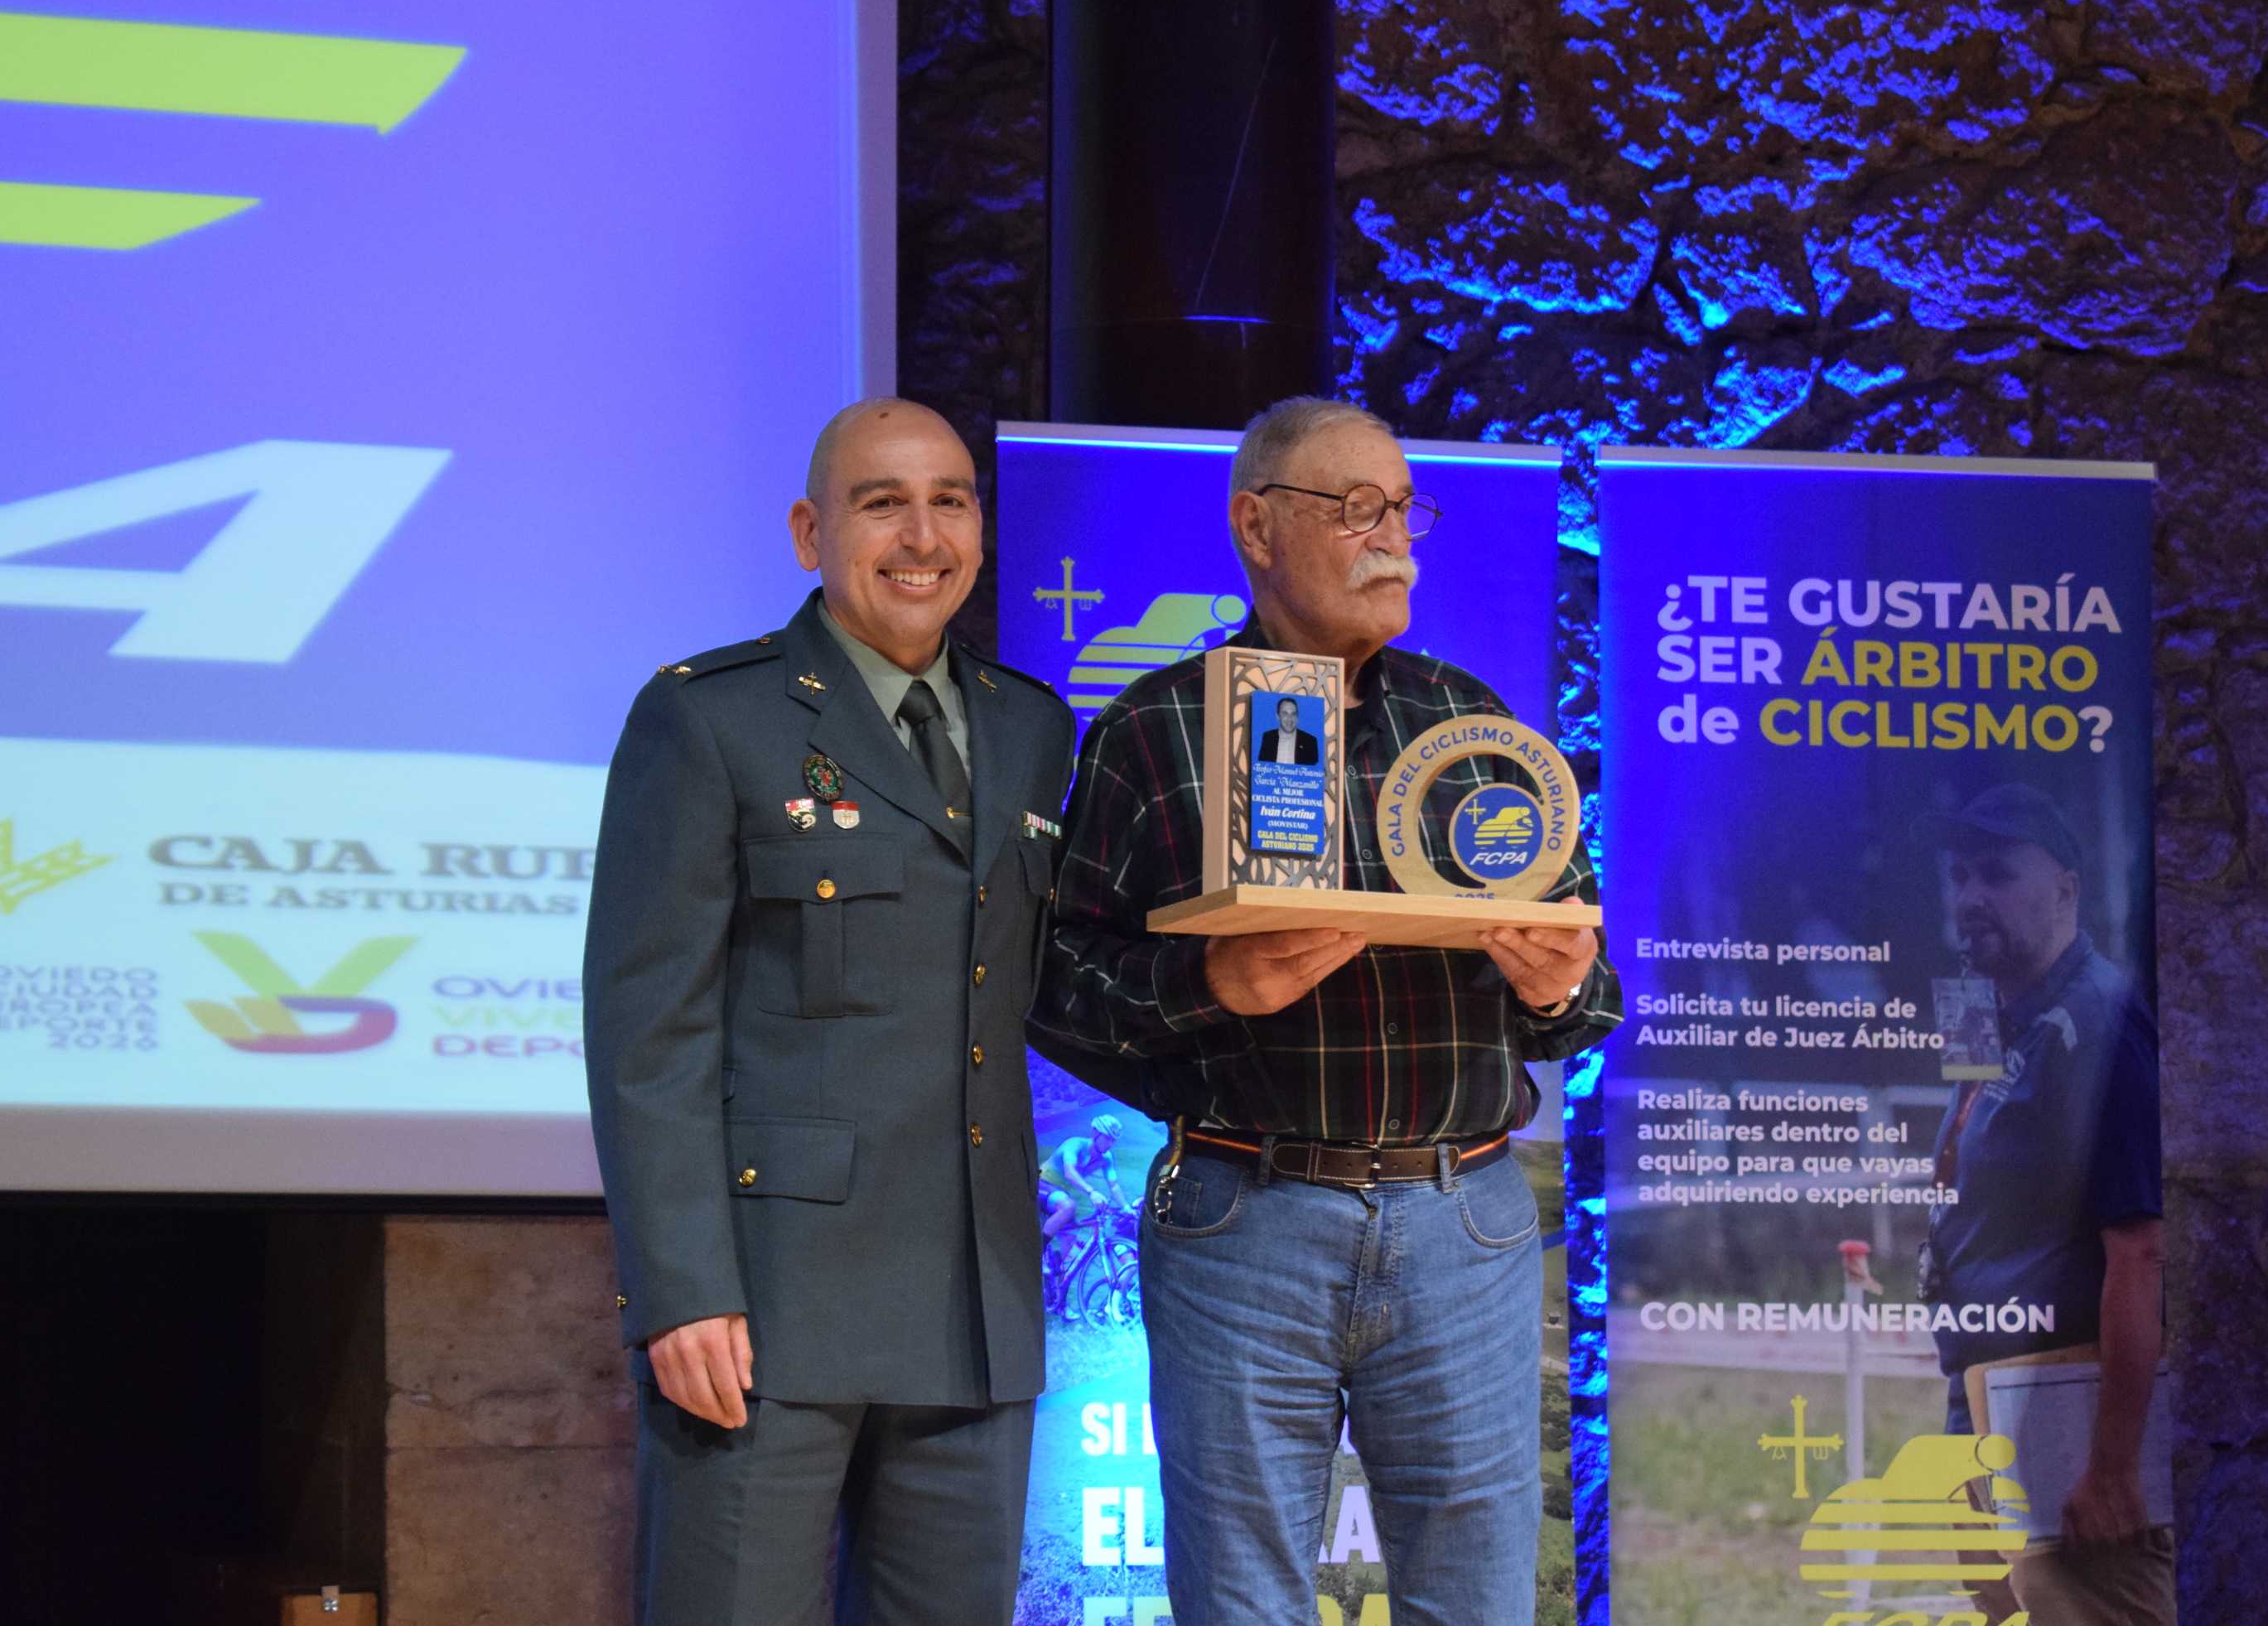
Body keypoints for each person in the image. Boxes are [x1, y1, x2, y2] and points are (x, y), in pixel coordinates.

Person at [1029, 396, 1622, 1624]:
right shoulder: (1154, 733)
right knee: (1242, 1603)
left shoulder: (1475, 729)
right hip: (1243, 1219)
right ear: (1257, 525)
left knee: (1479, 1604)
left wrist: (1557, 986)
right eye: (1354, 508)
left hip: (1466, 1226)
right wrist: (1208, 987)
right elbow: (1052, 987)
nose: (1392, 536)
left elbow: (1588, 996)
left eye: (1405, 509)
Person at [584, 398, 1076, 1626]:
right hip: (771, 1307)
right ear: (812, 532)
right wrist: (683, 1288)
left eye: (950, 500)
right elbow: (650, 1030)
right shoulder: (711, 717)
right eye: (881, 503)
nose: (923, 535)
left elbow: (1056, 987)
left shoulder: (1032, 728)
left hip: (975, 1297)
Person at [1917, 783, 2171, 1624]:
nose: (1969, 896)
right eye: (1957, 875)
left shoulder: (2101, 1022)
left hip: (2063, 1410)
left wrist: (2110, 1468)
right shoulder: (1985, 1003)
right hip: (1979, 1397)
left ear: (2065, 885)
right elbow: (1964, 1163)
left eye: (1994, 872)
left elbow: (2139, 1251)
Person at [1040, 1112, 1133, 1240]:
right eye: (1107, 1138)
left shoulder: (1106, 1158)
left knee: (1070, 1237)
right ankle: (1038, 1250)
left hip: (1062, 1192)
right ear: (1095, 1133)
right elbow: (1069, 1172)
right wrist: (1092, 1192)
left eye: (1113, 1140)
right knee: (1068, 1207)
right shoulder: (1075, 1144)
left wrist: (1126, 1208)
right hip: (1043, 1183)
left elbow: (1114, 1186)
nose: (1110, 1144)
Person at [1257, 694, 1318, 765]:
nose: (1290, 719)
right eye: (1285, 714)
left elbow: (1313, 772)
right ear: (1278, 717)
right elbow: (1262, 768)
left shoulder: (1310, 742)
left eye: (1293, 714)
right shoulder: (1268, 738)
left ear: (1297, 717)